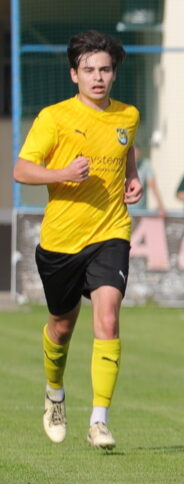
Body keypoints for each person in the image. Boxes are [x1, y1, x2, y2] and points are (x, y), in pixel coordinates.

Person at [12, 30, 142, 450]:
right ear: (74, 75)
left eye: (105, 69)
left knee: (107, 316)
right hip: (61, 241)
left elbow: (127, 150)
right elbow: (21, 170)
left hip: (110, 232)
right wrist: (62, 174)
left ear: (114, 74)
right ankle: (54, 393)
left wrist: (134, 178)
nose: (98, 77)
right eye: (89, 70)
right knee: (62, 327)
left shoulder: (128, 116)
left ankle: (99, 420)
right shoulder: (54, 118)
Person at [129, 145, 167, 218]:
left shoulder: (145, 165)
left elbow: (153, 187)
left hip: (139, 211)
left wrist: (161, 205)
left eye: (136, 154)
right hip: (122, 210)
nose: (134, 157)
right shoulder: (121, 164)